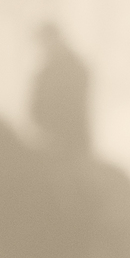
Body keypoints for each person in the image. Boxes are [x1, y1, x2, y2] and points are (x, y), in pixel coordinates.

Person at [28, 21, 93, 157]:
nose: (44, 47)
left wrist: (55, 135)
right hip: (47, 141)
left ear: (56, 38)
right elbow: (36, 106)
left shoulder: (76, 68)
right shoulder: (45, 71)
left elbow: (72, 107)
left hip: (72, 144)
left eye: (46, 41)